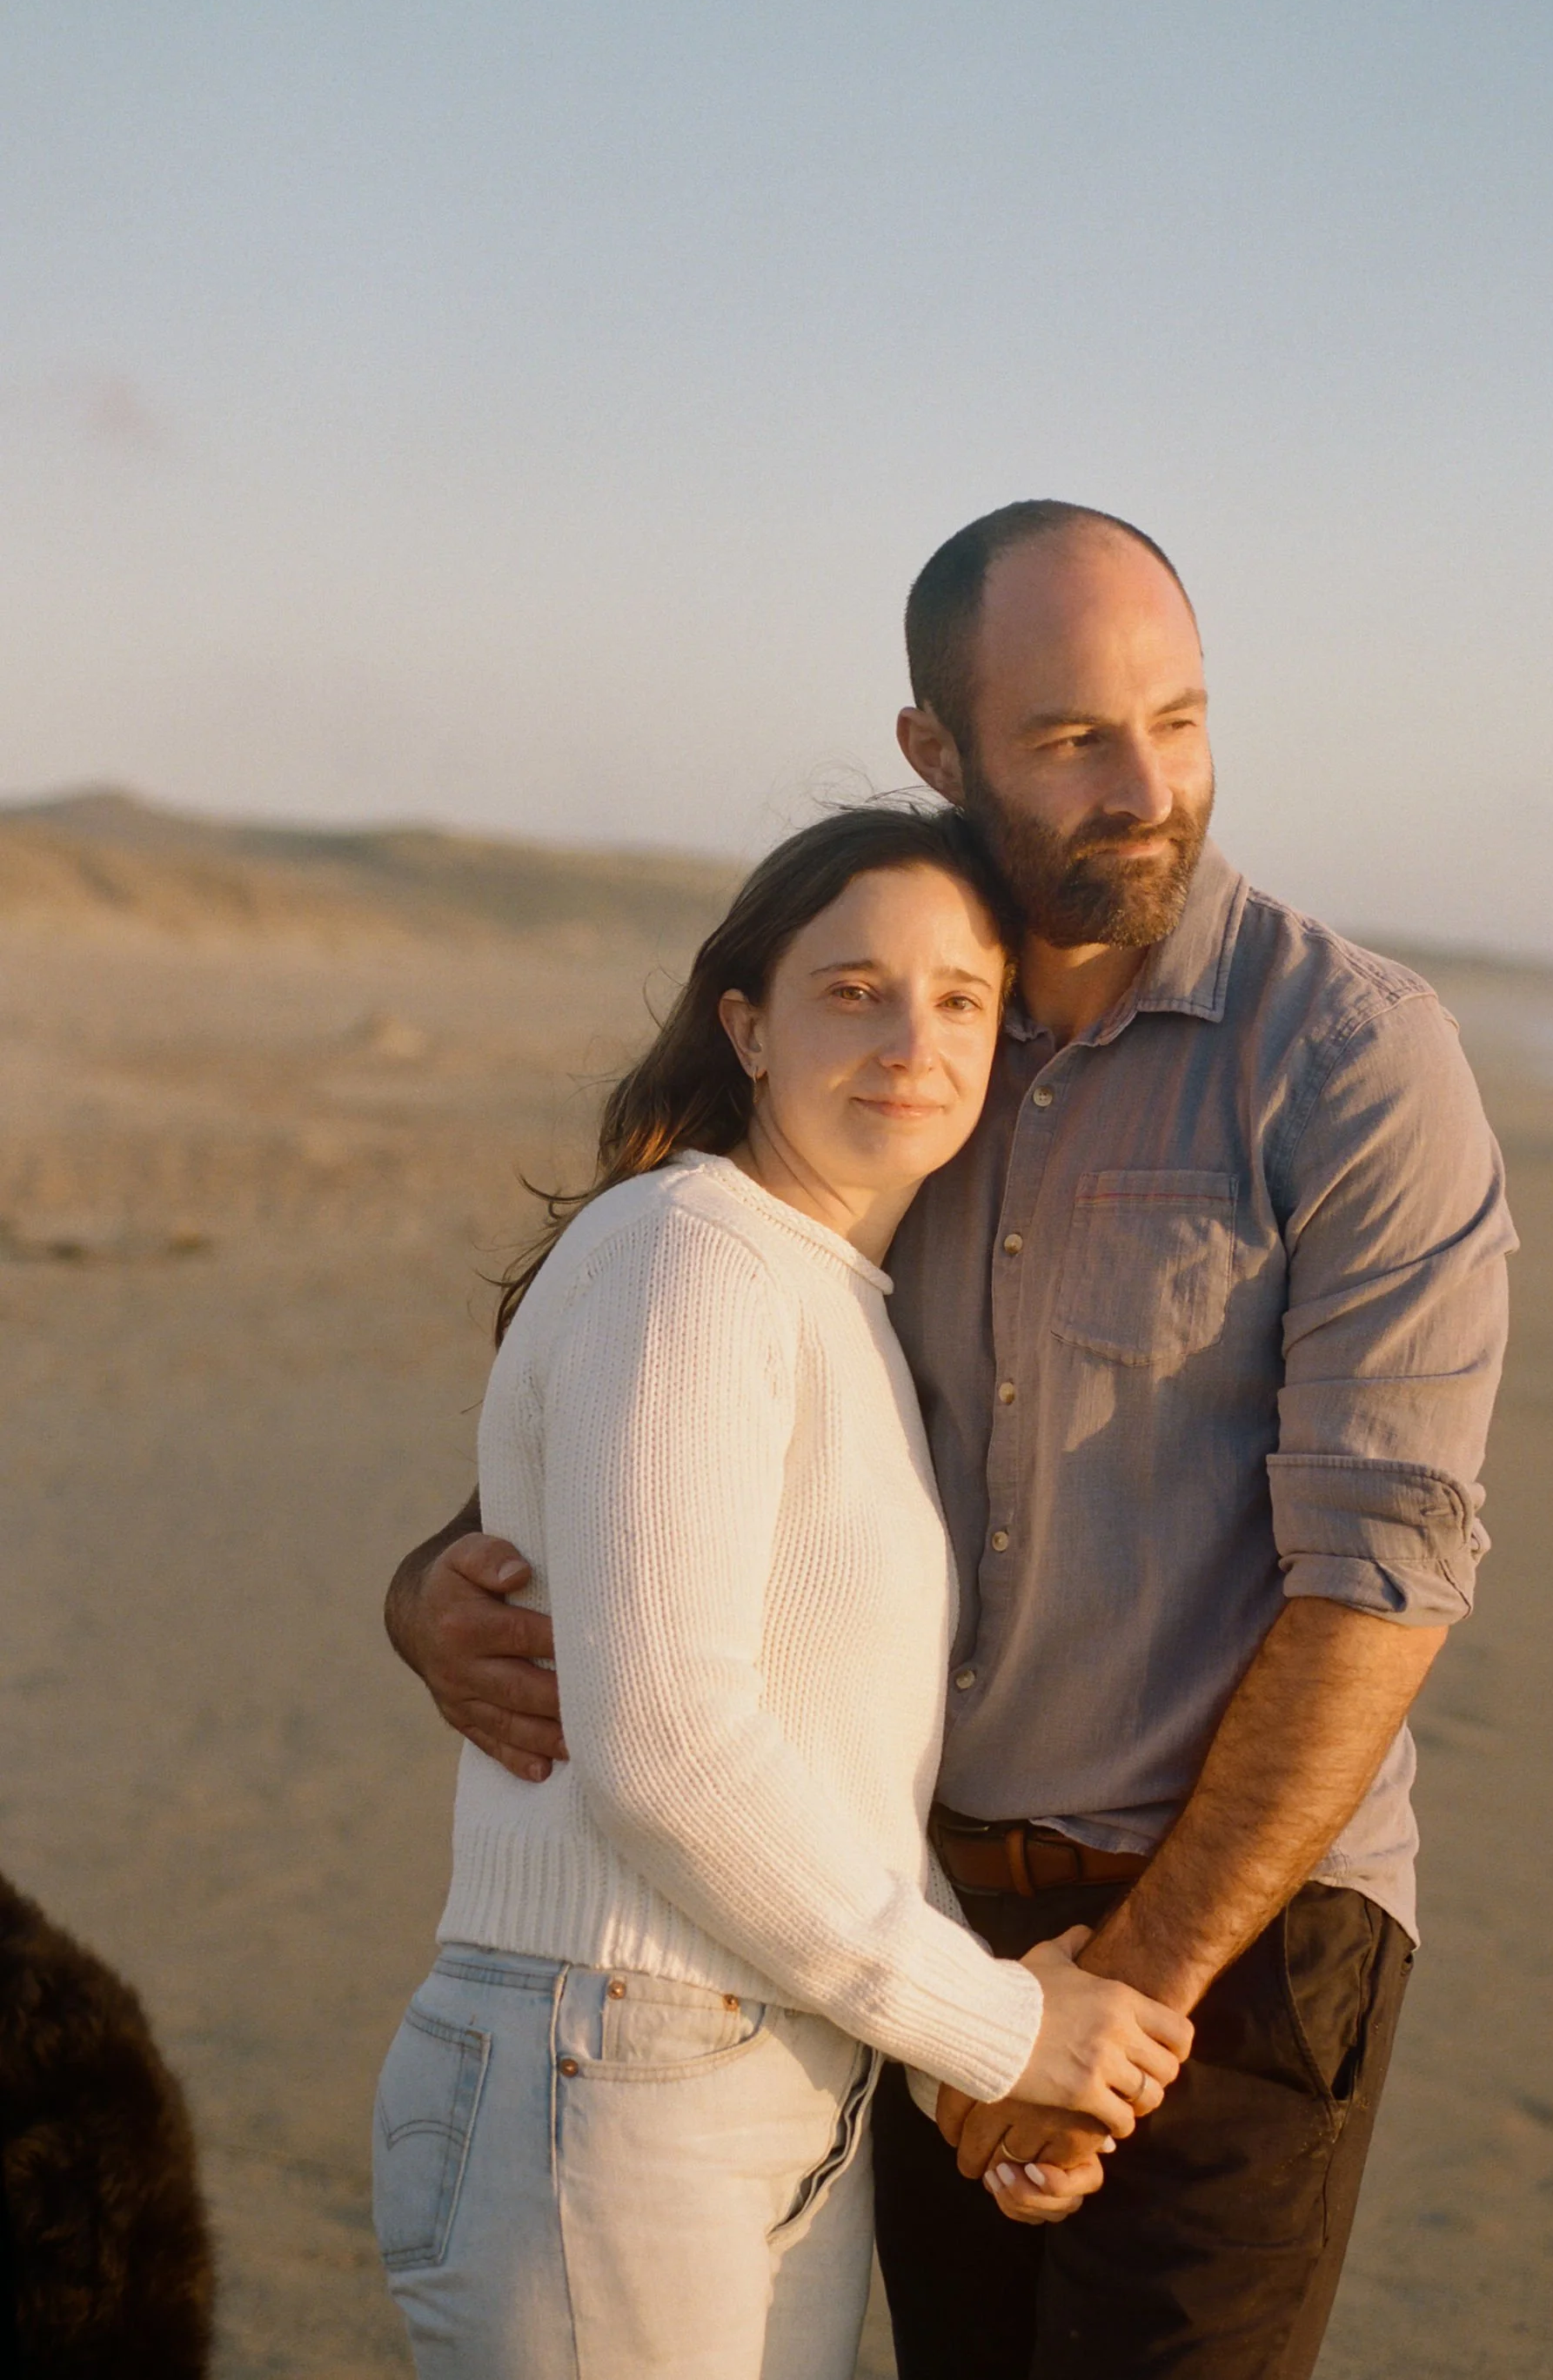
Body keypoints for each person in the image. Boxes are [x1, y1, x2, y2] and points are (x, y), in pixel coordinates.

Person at [386, 501, 1516, 2377]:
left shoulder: (1350, 1060)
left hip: (1225, 1937)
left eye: (1179, 716)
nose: (1145, 785)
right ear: (939, 750)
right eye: (1071, 737)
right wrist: (434, 1580)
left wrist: (1111, 2003)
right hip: (892, 1921)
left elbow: (1379, 1583)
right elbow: (674, 1407)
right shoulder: (915, 1072)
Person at [371, 801, 1195, 2380]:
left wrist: (970, 2062)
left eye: (961, 996)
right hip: (608, 2078)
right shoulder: (691, 1249)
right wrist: (1004, 2032)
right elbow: (670, 1748)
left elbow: (828, 1784)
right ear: (746, 1024)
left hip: (745, 2083)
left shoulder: (833, 1303)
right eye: (852, 988)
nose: (913, 1036)